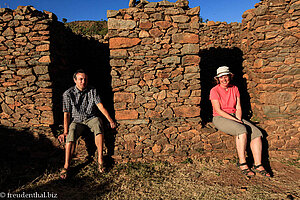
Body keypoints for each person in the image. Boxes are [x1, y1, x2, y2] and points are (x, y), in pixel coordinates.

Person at [209, 66, 270, 178]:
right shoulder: (214, 90)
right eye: (221, 77)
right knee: (241, 130)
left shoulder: (234, 88)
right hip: (220, 117)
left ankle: (258, 164)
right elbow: (218, 110)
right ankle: (242, 163)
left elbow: (238, 106)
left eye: (226, 76)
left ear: (229, 77)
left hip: (234, 116)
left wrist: (239, 119)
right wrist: (236, 121)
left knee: (257, 133)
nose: (224, 79)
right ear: (218, 79)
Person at [58, 69, 116, 179]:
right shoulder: (68, 94)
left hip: (91, 117)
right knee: (71, 132)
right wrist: (65, 132)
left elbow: (100, 106)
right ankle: (66, 166)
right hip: (77, 120)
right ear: (75, 80)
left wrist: (110, 120)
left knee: (98, 123)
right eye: (80, 79)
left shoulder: (92, 90)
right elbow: (67, 114)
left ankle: (100, 159)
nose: (83, 82)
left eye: (85, 79)